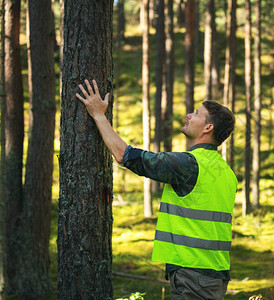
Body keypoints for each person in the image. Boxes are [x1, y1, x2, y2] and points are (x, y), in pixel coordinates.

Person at [76, 79, 237, 300]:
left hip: (193, 275)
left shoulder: (190, 165)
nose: (189, 115)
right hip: (213, 274)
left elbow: (126, 156)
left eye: (197, 114)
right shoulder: (225, 171)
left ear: (208, 128)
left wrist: (98, 115)